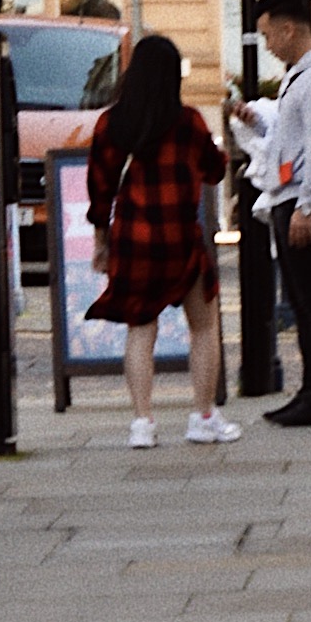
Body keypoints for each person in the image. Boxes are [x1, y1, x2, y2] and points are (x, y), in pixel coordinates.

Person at [84, 32, 239, 450]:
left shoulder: (111, 123)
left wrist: (102, 242)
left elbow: (99, 188)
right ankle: (203, 416)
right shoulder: (188, 121)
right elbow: (214, 170)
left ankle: (142, 423)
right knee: (204, 327)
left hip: (134, 240)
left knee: (140, 329)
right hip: (181, 239)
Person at [237, 0, 311, 426]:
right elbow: (296, 135)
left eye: (268, 35)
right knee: (304, 302)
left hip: (302, 196)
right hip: (293, 193)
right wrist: (259, 120)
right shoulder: (302, 77)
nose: (266, 44)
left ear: (288, 28)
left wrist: (306, 205)